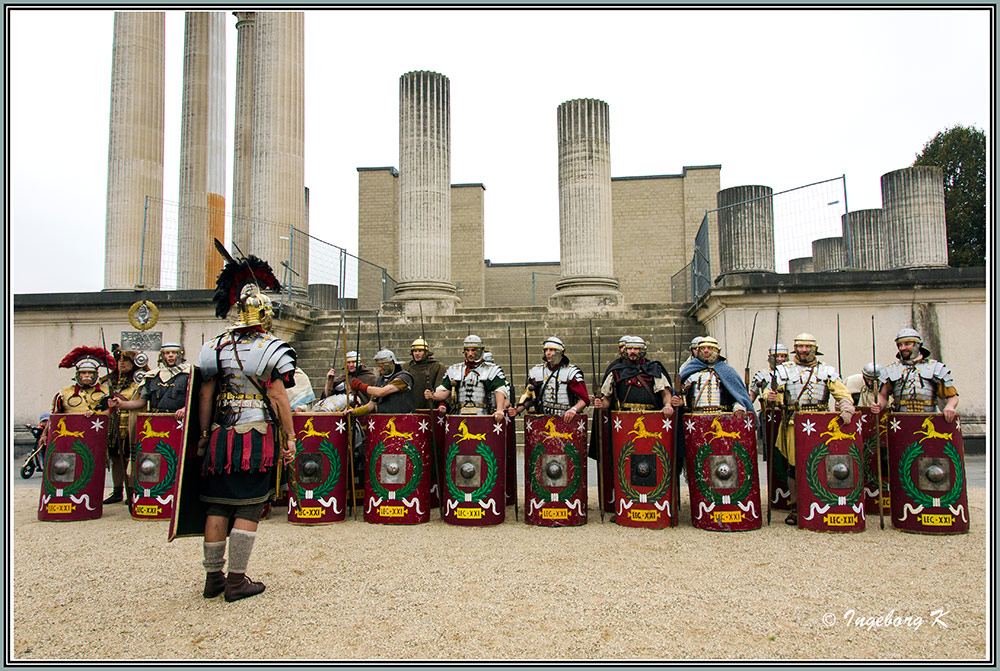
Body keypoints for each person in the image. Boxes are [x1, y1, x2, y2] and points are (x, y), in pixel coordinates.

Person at [196, 255, 296, 602]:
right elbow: (279, 397)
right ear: (265, 316)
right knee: (249, 505)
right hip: (255, 437)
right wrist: (291, 438)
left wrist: (204, 434)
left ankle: (213, 578)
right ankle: (237, 581)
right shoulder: (271, 348)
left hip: (220, 437)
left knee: (217, 505)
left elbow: (205, 397)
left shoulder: (213, 347)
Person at [764, 333, 854, 525]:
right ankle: (796, 508)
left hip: (820, 424)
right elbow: (770, 392)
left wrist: (846, 406)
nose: (804, 350)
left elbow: (841, 392)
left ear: (815, 349)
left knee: (821, 464)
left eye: (808, 347)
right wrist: (770, 397)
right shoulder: (783, 370)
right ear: (795, 349)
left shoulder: (827, 371)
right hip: (793, 423)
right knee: (794, 467)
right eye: (800, 346)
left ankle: (822, 502)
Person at [871, 328, 958, 422]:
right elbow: (883, 396)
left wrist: (950, 406)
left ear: (917, 345)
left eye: (907, 344)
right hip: (900, 422)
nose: (902, 348)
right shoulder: (890, 370)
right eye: (900, 345)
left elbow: (952, 396)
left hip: (930, 420)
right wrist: (879, 404)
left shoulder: (935, 368)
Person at [101, 348, 149, 505]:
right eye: (120, 360)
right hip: (114, 424)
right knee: (115, 458)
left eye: (126, 360)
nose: (122, 363)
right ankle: (117, 491)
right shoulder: (110, 380)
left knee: (131, 458)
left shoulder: (141, 380)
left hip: (132, 424)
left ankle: (131, 492)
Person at [43, 346, 115, 444]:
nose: (87, 375)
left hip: (96, 437)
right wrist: (45, 434)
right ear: (78, 374)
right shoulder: (64, 393)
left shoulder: (105, 392)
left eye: (90, 373)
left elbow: (109, 413)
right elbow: (54, 416)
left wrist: (96, 414)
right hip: (70, 436)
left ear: (95, 375)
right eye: (83, 372)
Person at [509, 336, 590, 423]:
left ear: (560, 352)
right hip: (543, 419)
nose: (548, 353)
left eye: (551, 350)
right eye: (546, 350)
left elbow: (584, 399)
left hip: (566, 419)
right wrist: (517, 410)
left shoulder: (571, 372)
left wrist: (573, 409)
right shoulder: (537, 371)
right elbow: (530, 397)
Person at [429, 335, 509, 422]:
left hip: (483, 415)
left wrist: (499, 410)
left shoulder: (491, 370)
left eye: (473, 350)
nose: (470, 354)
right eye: (467, 350)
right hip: (459, 415)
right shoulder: (455, 369)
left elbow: (500, 390)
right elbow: (444, 391)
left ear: (480, 351)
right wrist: (433, 395)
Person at [592, 336, 675, 418]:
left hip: (650, 417)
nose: (632, 351)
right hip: (624, 418)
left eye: (636, 349)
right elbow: (608, 398)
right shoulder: (617, 371)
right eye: (629, 349)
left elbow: (665, 394)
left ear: (642, 350)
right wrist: (601, 404)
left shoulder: (653, 369)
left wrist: (667, 405)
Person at [672, 337, 753, 418]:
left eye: (709, 348)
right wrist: (680, 402)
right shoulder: (690, 370)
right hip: (696, 418)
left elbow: (737, 395)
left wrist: (738, 406)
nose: (705, 351)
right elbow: (684, 396)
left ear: (718, 351)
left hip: (722, 418)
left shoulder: (727, 371)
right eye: (702, 348)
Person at [109, 342, 191, 420]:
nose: (170, 356)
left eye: (174, 353)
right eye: (167, 353)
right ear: (162, 355)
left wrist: (185, 409)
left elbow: (195, 400)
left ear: (179, 355)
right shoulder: (152, 376)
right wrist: (119, 404)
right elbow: (140, 402)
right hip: (155, 419)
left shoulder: (189, 374)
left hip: (179, 420)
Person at [350, 349, 416, 416]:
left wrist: (360, 386)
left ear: (391, 363)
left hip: (403, 420)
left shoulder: (403, 378)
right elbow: (371, 405)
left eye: (381, 366)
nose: (378, 369)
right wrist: (355, 411)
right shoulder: (380, 380)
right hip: (384, 421)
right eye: (378, 366)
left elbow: (381, 392)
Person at [403, 338, 445, 411]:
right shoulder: (406, 367)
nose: (417, 353)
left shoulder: (437, 366)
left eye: (420, 351)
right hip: (410, 407)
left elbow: (441, 388)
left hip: (430, 407)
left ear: (426, 352)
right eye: (415, 351)